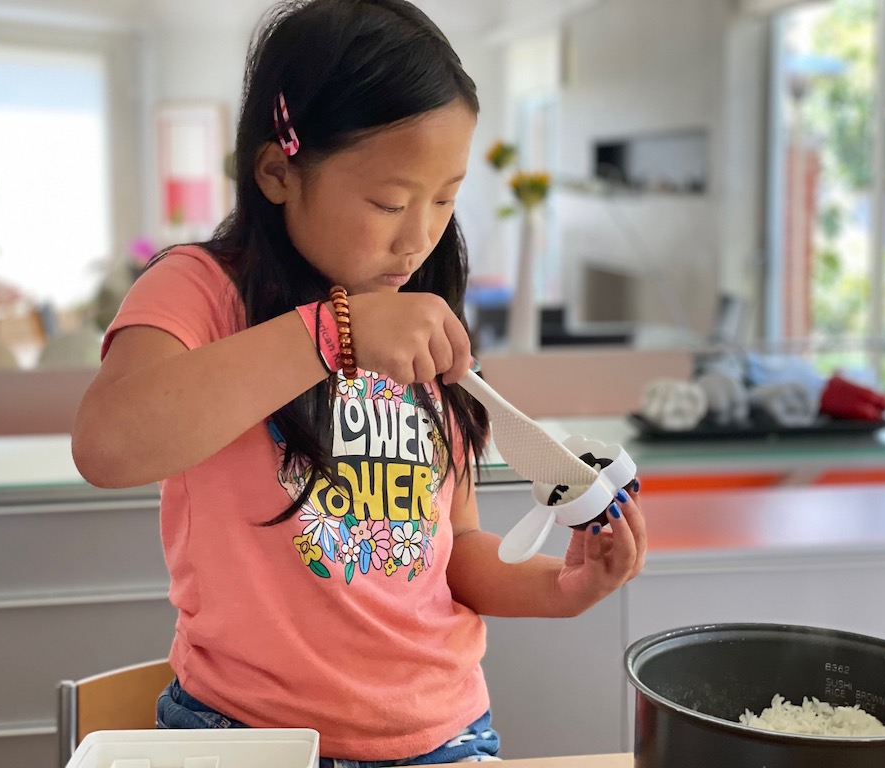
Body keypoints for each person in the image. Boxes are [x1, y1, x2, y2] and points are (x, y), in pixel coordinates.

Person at [71, 0, 646, 764]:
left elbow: (456, 547)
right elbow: (110, 446)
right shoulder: (203, 290)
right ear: (278, 170)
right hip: (247, 738)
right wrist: (333, 331)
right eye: (389, 201)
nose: (419, 235)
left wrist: (562, 589)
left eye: (445, 198)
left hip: (445, 735)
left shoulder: (423, 314)